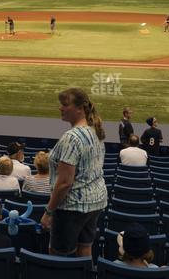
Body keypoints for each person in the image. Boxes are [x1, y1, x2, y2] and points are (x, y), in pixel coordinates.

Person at [40, 88, 107, 257]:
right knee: (85, 249)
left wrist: (48, 212)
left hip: (72, 208)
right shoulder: (94, 130)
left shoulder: (72, 137)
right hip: (95, 202)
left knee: (59, 256)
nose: (60, 108)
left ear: (79, 109)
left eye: (65, 105)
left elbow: (65, 183)